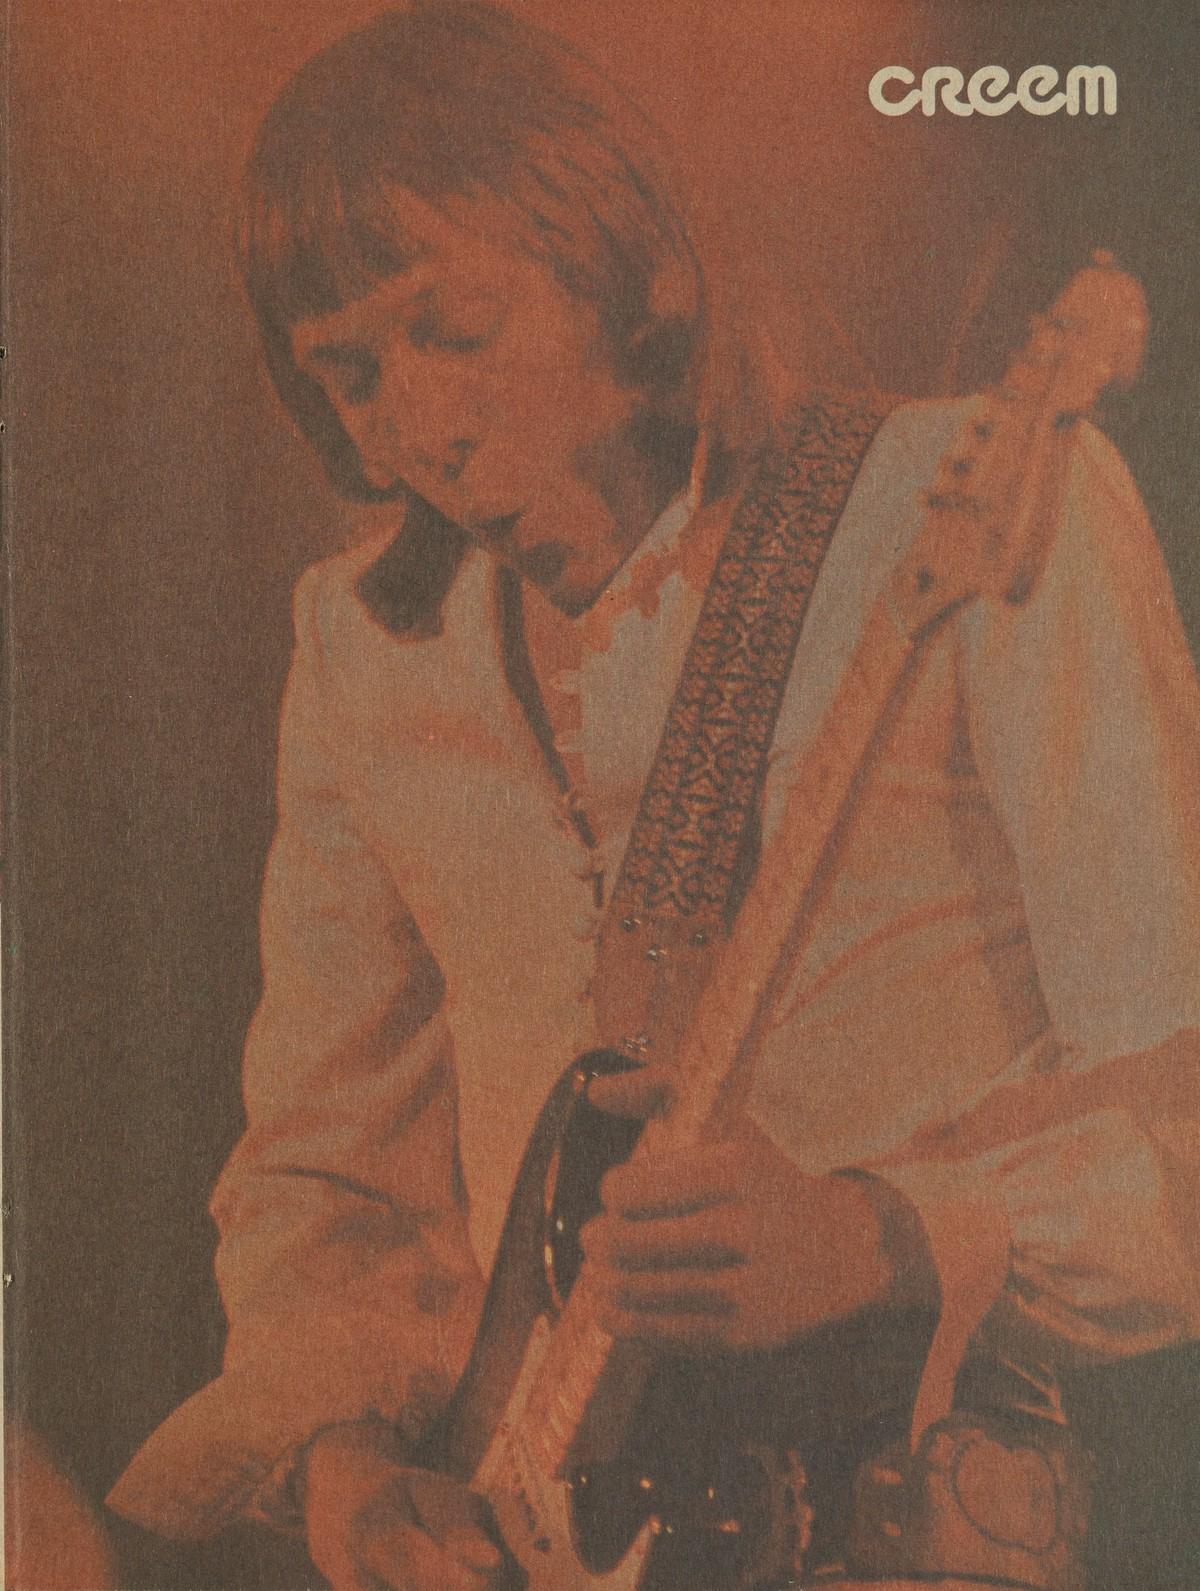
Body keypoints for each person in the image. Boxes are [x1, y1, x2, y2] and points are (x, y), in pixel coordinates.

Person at [108, 4, 1200, 1587]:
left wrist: (889, 1236)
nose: (419, 428)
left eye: (454, 328)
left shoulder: (965, 507)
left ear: (613, 261)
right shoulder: (362, 651)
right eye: (350, 377)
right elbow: (325, 1181)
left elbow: (1185, 1105)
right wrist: (346, 1465)